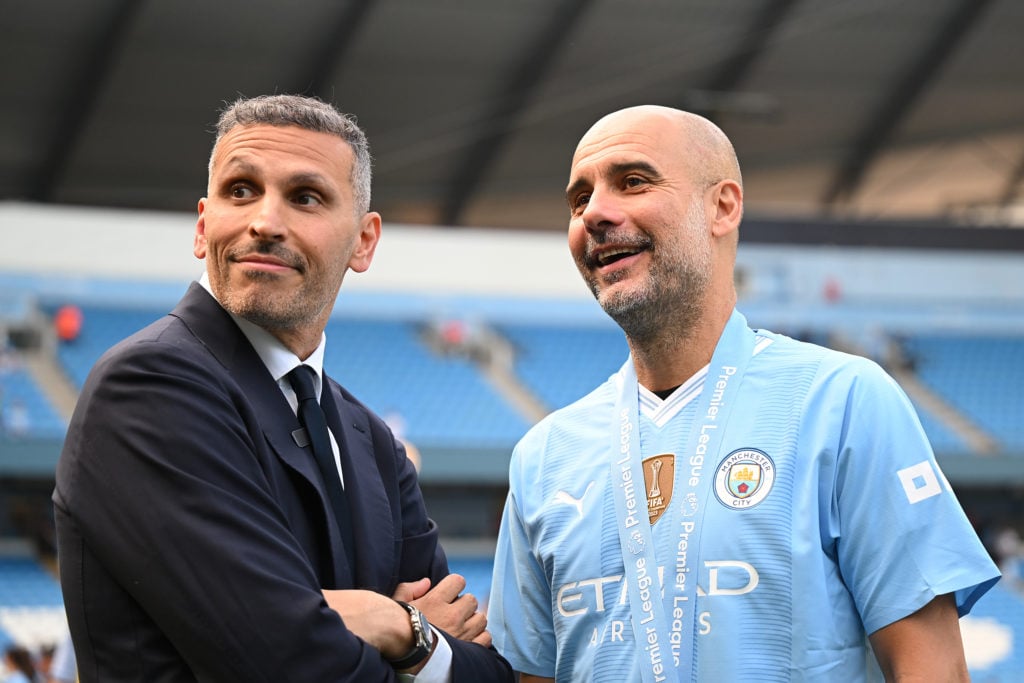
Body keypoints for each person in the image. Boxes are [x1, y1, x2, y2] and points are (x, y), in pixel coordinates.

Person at [487, 105, 1000, 682]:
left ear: (722, 206)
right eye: (579, 200)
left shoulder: (842, 403)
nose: (596, 214)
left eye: (633, 182)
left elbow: (931, 669)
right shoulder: (543, 457)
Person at [53, 94, 512, 682]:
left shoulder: (371, 442)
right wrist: (409, 636)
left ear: (364, 242)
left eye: (305, 197)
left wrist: (395, 625)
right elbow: (282, 666)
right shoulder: (147, 388)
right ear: (201, 225)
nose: (265, 222)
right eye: (240, 190)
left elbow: (488, 674)